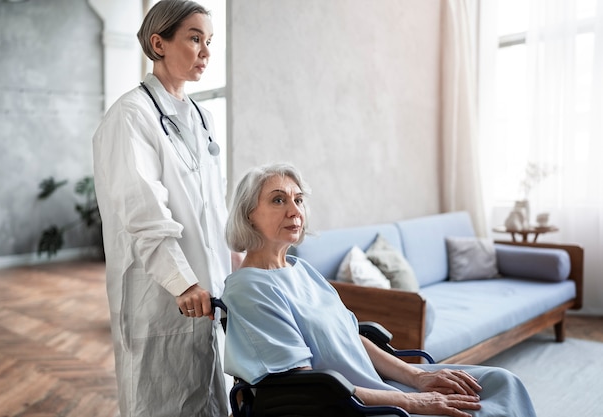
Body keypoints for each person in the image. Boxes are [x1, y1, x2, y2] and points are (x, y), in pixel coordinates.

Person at [221, 163, 537, 417]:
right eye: (279, 200)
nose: (295, 211)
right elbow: (309, 388)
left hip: (378, 383)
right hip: (347, 403)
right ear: (248, 214)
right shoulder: (250, 289)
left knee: (501, 382)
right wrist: (413, 401)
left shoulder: (302, 270)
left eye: (298, 199)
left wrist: (418, 378)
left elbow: (350, 335)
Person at [92, 1, 233, 416]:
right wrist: (182, 282)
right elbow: (143, 212)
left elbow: (212, 206)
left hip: (211, 291)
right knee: (163, 401)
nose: (206, 51)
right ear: (158, 43)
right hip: (164, 296)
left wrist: (233, 258)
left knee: (211, 395)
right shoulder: (130, 117)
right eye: (194, 38)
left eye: (209, 41)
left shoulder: (202, 117)